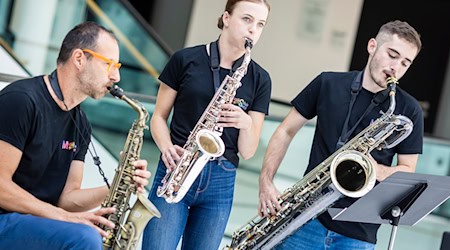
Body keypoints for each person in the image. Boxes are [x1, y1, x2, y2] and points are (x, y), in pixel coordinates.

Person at [258, 20, 423, 250]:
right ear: (372, 46)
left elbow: (407, 170)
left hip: (358, 235)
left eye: (405, 63)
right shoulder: (328, 82)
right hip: (304, 220)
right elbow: (285, 130)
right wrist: (266, 182)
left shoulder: (408, 109)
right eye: (392, 55)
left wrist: (377, 170)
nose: (396, 67)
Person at [0, 21, 151, 249]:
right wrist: (63, 217)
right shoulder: (21, 100)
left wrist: (119, 184)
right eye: (109, 64)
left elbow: (66, 198)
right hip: (4, 218)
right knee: (85, 238)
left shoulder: (81, 123)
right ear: (80, 59)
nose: (116, 76)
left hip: (36, 221)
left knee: (98, 236)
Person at [142, 0, 272, 249]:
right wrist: (166, 147)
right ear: (226, 18)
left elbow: (248, 151)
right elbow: (158, 117)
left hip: (221, 180)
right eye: (246, 19)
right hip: (176, 166)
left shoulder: (260, 78)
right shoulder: (184, 59)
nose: (253, 30)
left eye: (260, 24)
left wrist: (246, 123)